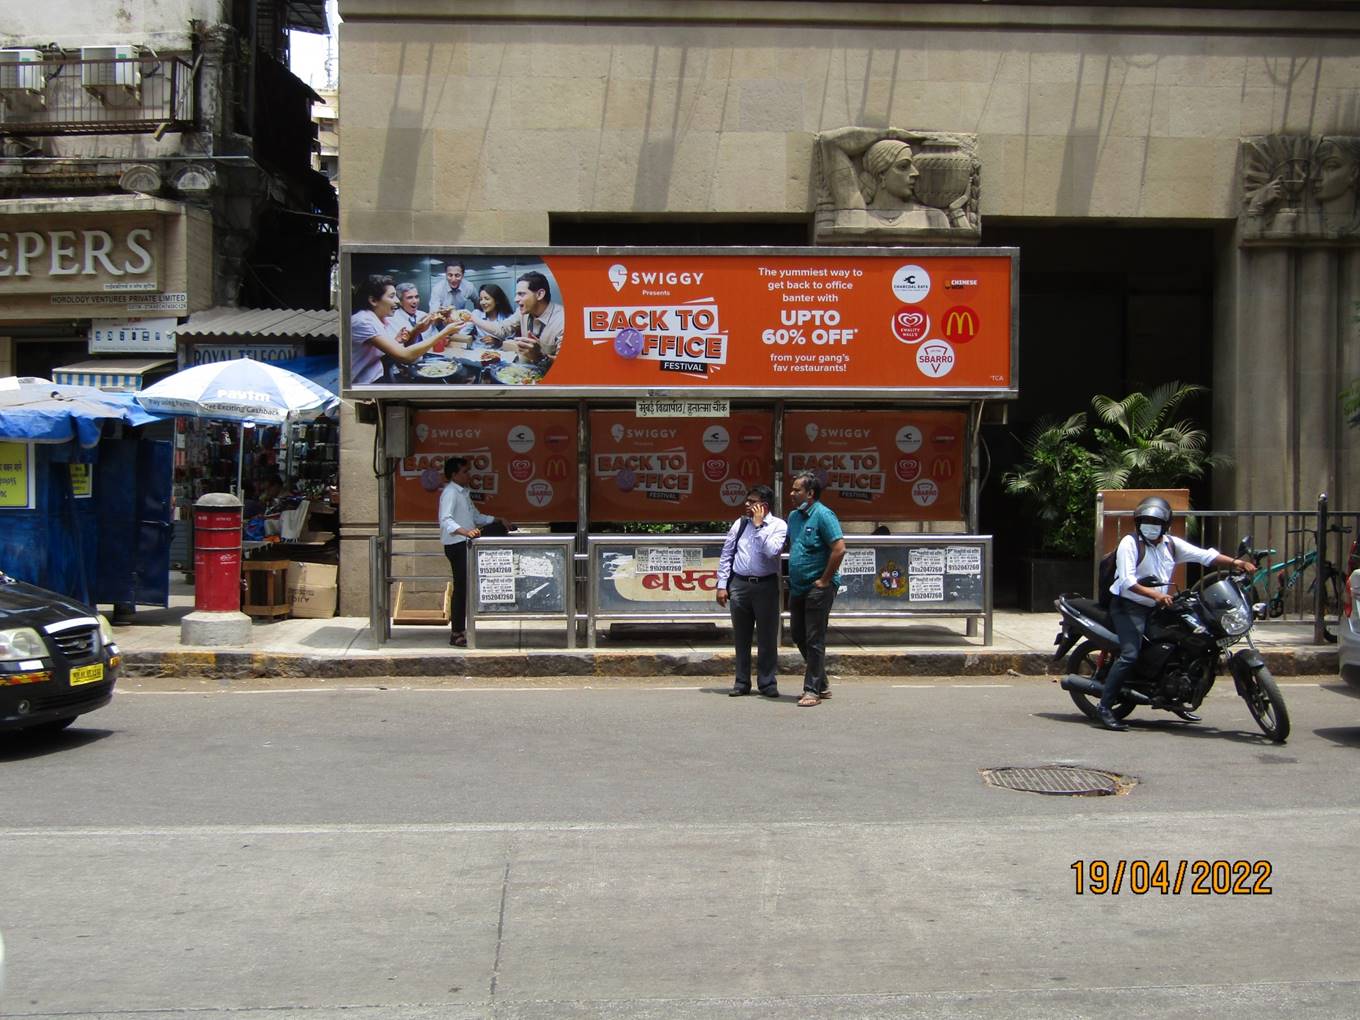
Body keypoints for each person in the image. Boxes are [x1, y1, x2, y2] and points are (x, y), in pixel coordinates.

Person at [1096, 495, 1254, 732]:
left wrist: (1235, 563)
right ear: (1138, 522)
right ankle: (1104, 707)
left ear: (1165, 525)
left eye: (1156, 522)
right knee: (1130, 654)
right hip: (1128, 606)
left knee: (1186, 642)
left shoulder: (1171, 544)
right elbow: (1128, 581)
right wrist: (1156, 595)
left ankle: (1176, 697)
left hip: (1158, 605)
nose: (1150, 526)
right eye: (1146, 521)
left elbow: (1205, 556)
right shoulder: (1130, 543)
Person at [716, 484, 788, 698]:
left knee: (767, 637)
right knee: (741, 637)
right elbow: (727, 553)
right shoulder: (739, 524)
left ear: (763, 506)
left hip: (766, 586)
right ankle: (741, 682)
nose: (747, 504)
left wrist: (758, 528)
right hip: (740, 585)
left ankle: (767, 682)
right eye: (747, 501)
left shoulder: (778, 526)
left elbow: (772, 551)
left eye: (752, 502)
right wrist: (722, 585)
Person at [786, 471, 846, 707]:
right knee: (798, 635)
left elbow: (839, 549)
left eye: (796, 490)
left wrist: (824, 580)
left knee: (814, 638)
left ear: (810, 493)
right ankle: (821, 683)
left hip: (818, 587)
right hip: (797, 587)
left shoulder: (823, 515)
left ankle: (811, 690)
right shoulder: (793, 517)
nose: (792, 493)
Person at [439, 456, 513, 647]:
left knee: (466, 587)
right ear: (454, 474)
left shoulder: (463, 493)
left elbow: (476, 516)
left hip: (466, 543)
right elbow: (445, 519)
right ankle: (456, 632)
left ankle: (461, 629)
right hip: (457, 544)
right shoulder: (450, 493)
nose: (468, 475)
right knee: (461, 588)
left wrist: (497, 519)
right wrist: (465, 532)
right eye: (464, 472)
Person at [350, 274, 442, 384]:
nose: (397, 301)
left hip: (379, 375)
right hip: (365, 383)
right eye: (392, 296)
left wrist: (398, 340)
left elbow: (385, 353)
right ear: (373, 300)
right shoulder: (363, 321)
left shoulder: (380, 320)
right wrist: (445, 332)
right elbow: (405, 356)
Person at [460, 271, 564, 366]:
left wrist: (540, 356)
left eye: (521, 294)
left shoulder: (563, 321)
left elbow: (565, 364)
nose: (515, 299)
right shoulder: (522, 312)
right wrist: (472, 318)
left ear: (540, 294)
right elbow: (502, 329)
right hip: (524, 370)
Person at [465, 284, 514, 350]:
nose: (483, 302)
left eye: (487, 299)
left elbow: (512, 343)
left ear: (497, 300)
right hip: (477, 350)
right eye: (481, 299)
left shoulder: (508, 318)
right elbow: (463, 333)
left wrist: (498, 342)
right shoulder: (476, 314)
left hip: (499, 353)